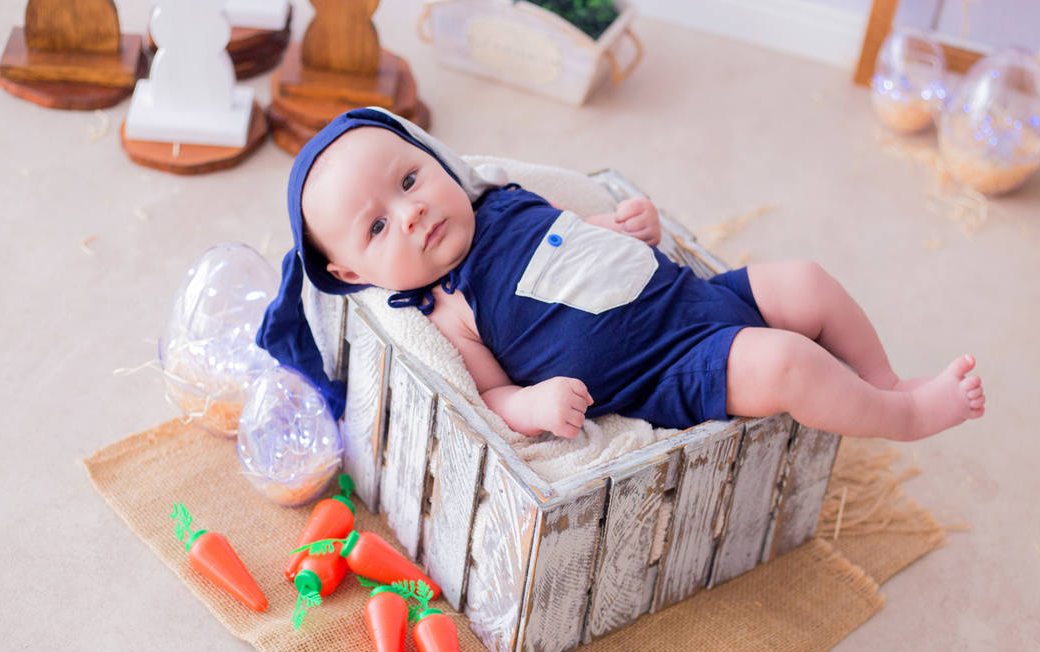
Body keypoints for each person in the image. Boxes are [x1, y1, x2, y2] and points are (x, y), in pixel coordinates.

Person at [258, 108, 984, 442]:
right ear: (350, 271)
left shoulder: (508, 201)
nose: (410, 213)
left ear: (437, 160)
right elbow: (492, 393)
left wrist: (626, 228)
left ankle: (883, 380)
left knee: (805, 280)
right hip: (670, 366)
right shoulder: (445, 309)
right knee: (790, 360)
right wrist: (536, 405)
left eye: (410, 180)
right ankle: (906, 419)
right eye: (379, 226)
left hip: (698, 297)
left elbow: (573, 250)